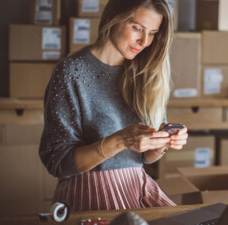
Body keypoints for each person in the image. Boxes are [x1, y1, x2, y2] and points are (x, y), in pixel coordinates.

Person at [39, 0, 188, 212]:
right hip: (88, 191)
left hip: (137, 185)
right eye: (137, 28)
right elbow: (58, 162)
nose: (145, 41)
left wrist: (161, 143)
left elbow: (145, 158)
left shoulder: (147, 74)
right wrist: (119, 140)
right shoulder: (71, 72)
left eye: (153, 33)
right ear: (113, 19)